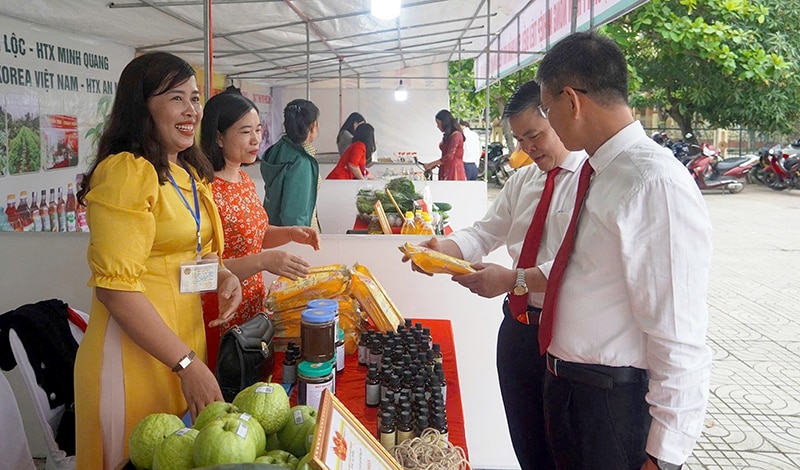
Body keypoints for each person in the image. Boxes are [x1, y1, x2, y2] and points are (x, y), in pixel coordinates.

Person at [535, 31, 712, 470]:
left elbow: (679, 331)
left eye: (546, 108)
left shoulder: (654, 183)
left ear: (571, 100)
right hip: (570, 388)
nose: (549, 120)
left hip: (612, 405)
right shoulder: (597, 171)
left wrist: (664, 454)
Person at [404, 80, 589, 470]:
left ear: (558, 119)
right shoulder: (524, 180)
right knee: (527, 444)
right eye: (520, 139)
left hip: (566, 335)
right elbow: (485, 232)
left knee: (567, 450)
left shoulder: (592, 181)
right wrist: (442, 250)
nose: (528, 148)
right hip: (518, 331)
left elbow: (577, 266)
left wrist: (512, 279)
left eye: (534, 135)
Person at [73, 52, 242, 469]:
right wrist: (186, 363)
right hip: (133, 359)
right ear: (142, 105)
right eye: (175, 98)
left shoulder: (184, 171)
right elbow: (115, 290)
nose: (191, 111)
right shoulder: (126, 173)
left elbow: (185, 249)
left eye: (196, 98)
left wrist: (221, 274)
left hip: (181, 348)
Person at [199, 92, 321, 370]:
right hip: (221, 308)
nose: (256, 140)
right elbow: (202, 270)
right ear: (218, 137)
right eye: (245, 132)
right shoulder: (203, 190)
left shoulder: (243, 178)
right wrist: (265, 261)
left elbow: (258, 235)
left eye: (258, 130)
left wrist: (291, 232)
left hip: (253, 305)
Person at [261, 99, 321, 228]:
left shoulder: (277, 149)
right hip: (295, 235)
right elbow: (294, 216)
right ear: (313, 126)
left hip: (273, 226)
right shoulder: (301, 161)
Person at [424, 109, 466, 180]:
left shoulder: (456, 135)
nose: (437, 126)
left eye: (438, 124)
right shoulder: (450, 135)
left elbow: (449, 157)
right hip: (446, 167)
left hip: (453, 169)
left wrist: (431, 164)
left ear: (444, 123)